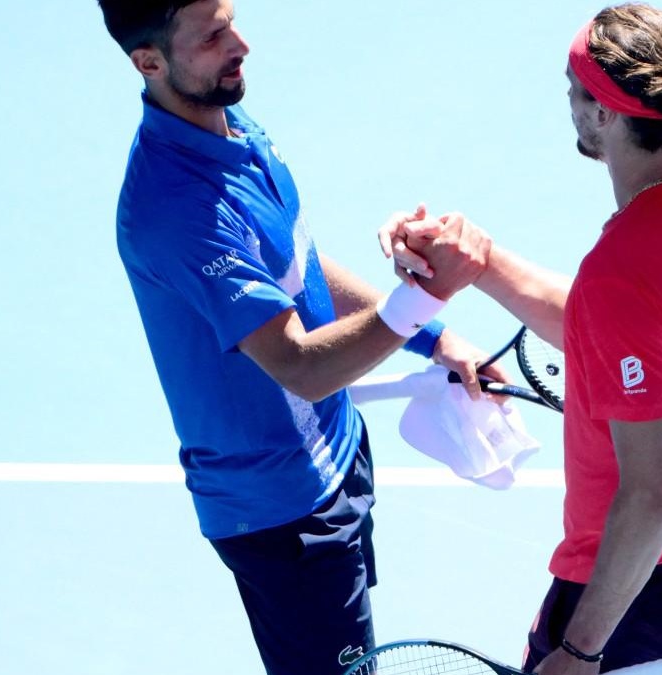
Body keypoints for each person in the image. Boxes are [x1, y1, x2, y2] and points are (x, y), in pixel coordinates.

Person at [95, 2, 492, 674]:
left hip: (335, 455)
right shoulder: (179, 209)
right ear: (149, 62)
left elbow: (297, 263)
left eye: (233, 20)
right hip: (284, 518)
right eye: (215, 36)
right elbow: (301, 367)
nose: (241, 44)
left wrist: (433, 335)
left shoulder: (230, 118)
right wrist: (422, 294)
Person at [383, 4, 662, 673]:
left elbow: (654, 492)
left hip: (636, 603)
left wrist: (579, 647)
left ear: (605, 115)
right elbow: (626, 327)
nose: (566, 100)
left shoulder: (627, 271)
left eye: (574, 89)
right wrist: (480, 261)